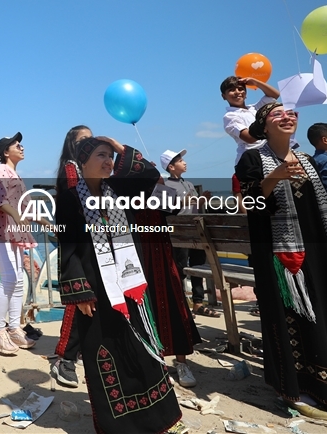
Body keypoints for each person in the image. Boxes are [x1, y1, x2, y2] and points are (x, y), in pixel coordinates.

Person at [236, 103, 327, 420]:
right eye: (278, 114)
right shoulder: (253, 159)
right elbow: (251, 205)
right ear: (264, 126)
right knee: (290, 319)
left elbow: (319, 208)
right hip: (280, 256)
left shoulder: (307, 161)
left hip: (317, 252)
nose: (288, 116)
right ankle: (294, 390)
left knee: (326, 312)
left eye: (291, 113)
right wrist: (274, 177)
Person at [57, 137, 183, 433]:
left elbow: (151, 175)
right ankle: (120, 426)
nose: (108, 162)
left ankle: (159, 419)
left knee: (143, 349)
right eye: (101, 155)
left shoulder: (122, 192)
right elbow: (68, 248)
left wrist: (123, 149)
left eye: (111, 158)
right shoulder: (69, 199)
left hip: (131, 287)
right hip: (97, 293)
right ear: (83, 162)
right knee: (108, 353)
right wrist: (80, 291)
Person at [0, 133, 36, 355]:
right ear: (5, 152)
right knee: (10, 278)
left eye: (22, 144)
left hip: (12, 231)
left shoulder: (15, 175)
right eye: (17, 145)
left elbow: (25, 205)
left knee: (19, 280)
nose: (22, 147)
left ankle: (13, 328)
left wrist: (44, 221)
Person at [51, 125, 92, 387]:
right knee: (78, 299)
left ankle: (73, 354)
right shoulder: (71, 169)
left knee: (86, 301)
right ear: (72, 144)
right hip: (79, 242)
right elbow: (77, 205)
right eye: (84, 139)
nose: (90, 142)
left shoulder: (85, 168)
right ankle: (65, 357)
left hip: (89, 240)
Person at [162, 149, 217, 320]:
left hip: (195, 231)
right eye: (180, 160)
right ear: (171, 167)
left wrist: (202, 200)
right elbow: (164, 209)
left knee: (198, 266)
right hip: (180, 233)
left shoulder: (189, 184)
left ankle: (198, 303)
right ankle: (182, 303)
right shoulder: (165, 185)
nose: (184, 162)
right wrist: (182, 201)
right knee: (180, 267)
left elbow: (193, 205)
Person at [221, 75, 281, 166]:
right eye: (231, 90)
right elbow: (249, 138)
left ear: (246, 93)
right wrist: (271, 129)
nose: (237, 92)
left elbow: (275, 94)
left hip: (270, 156)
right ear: (224, 96)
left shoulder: (255, 108)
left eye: (241, 89)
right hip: (250, 160)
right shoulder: (230, 116)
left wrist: (256, 82)